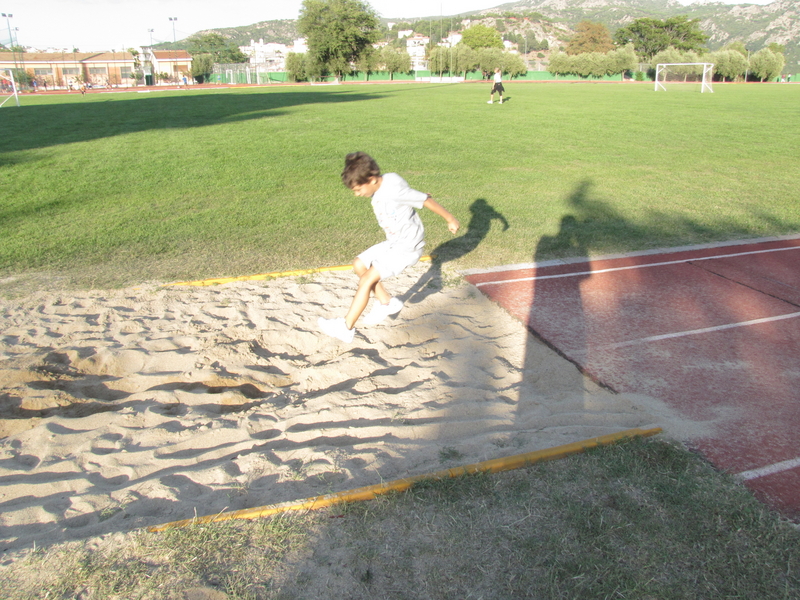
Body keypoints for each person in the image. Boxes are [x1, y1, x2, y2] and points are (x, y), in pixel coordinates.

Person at [318, 152, 461, 343]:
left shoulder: (392, 190)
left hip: (407, 247)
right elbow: (410, 192)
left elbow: (425, 201)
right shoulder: (389, 180)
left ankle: (346, 327)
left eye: (358, 189)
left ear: (371, 179)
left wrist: (450, 219)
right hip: (394, 242)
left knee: (367, 279)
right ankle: (386, 302)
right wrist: (418, 195)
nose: (357, 194)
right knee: (359, 264)